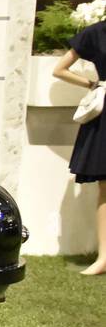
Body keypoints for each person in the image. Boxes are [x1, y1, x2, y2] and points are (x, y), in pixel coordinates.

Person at [52, 19, 106, 275]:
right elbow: (60, 68)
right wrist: (92, 85)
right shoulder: (96, 32)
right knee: (105, 187)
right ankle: (104, 257)